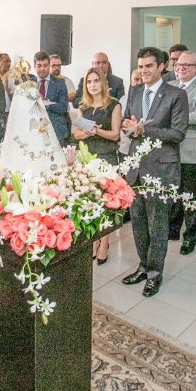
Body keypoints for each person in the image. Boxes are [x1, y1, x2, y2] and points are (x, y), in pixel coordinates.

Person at [121, 46, 188, 297]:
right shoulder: (135, 90)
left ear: (162, 66)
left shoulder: (176, 95)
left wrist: (143, 130)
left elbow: (178, 134)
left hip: (161, 169)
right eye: (140, 66)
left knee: (157, 225)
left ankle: (155, 273)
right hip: (136, 169)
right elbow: (129, 122)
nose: (144, 70)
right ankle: (143, 265)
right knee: (137, 222)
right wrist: (129, 127)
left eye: (149, 65)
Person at [167, 51, 196, 255]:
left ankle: (191, 236)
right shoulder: (171, 86)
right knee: (174, 194)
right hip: (171, 150)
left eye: (187, 65)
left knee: (192, 198)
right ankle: (174, 229)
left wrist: (172, 115)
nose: (181, 67)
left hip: (193, 152)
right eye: (178, 64)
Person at [72, 66, 121, 264]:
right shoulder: (82, 107)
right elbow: (75, 134)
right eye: (89, 82)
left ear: (103, 82)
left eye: (95, 81)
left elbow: (115, 134)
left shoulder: (113, 105)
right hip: (87, 158)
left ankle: (104, 243)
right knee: (90, 201)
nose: (92, 85)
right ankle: (93, 240)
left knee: (106, 203)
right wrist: (88, 132)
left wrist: (97, 131)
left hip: (107, 157)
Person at [33, 51, 70, 146]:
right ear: (34, 67)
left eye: (45, 65)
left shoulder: (60, 83)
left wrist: (45, 103)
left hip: (56, 131)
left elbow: (63, 108)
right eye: (39, 65)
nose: (42, 69)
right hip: (34, 132)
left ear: (49, 66)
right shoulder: (29, 84)